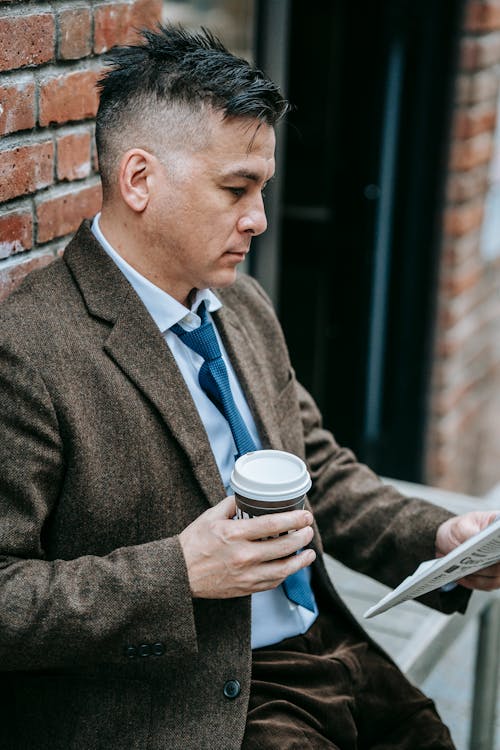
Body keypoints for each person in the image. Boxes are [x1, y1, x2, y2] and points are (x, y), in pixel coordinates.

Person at [0, 25, 498, 750]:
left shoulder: (243, 305)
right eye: (236, 189)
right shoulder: (28, 350)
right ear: (140, 180)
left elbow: (316, 469)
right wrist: (177, 574)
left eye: (262, 189)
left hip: (330, 647)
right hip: (190, 701)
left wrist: (434, 536)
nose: (259, 220)